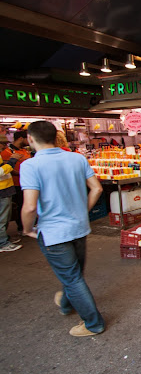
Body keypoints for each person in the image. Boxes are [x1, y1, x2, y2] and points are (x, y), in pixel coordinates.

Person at [20, 121, 105, 337]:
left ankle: (93, 324)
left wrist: (27, 229)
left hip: (53, 232)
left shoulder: (30, 166)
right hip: (79, 227)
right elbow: (96, 188)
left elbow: (30, 206)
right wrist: (81, 211)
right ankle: (67, 304)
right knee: (74, 274)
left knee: (72, 277)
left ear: (30, 138)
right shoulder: (77, 158)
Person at [1, 130, 31, 234]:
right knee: (19, 206)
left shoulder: (25, 151)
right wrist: (20, 173)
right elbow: (5, 169)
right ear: (21, 138)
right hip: (15, 184)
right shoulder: (7, 152)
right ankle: (22, 228)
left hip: (25, 183)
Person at [0, 150, 26, 252]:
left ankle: (3, 239)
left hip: (5, 189)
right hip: (2, 189)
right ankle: (2, 243)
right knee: (2, 218)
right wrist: (12, 161)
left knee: (4, 217)